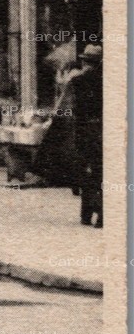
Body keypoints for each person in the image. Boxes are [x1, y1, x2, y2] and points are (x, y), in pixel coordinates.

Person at [67, 43, 102, 227]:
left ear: (84, 61)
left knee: (85, 173)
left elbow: (71, 109)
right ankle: (102, 215)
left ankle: (86, 215)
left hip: (83, 131)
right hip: (101, 131)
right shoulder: (105, 81)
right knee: (100, 173)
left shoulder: (77, 81)